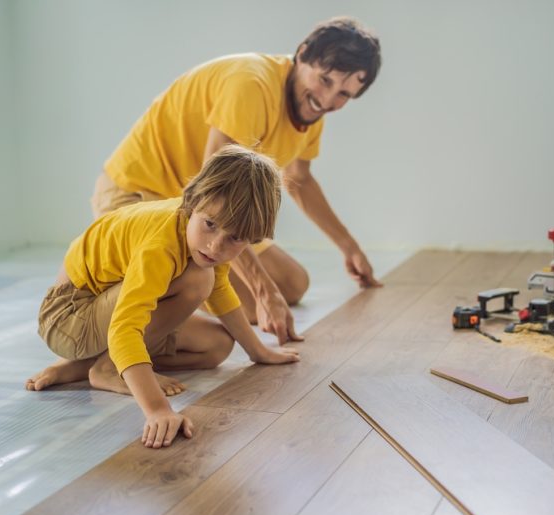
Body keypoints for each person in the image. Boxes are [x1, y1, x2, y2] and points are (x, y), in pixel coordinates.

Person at [92, 16, 383, 346]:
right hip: (139, 195)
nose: (328, 100)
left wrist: (350, 247)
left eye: (344, 93)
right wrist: (262, 289)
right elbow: (218, 199)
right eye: (325, 80)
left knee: (292, 283)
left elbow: (299, 178)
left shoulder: (310, 110)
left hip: (201, 212)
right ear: (301, 55)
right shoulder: (251, 84)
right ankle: (122, 320)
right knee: (229, 294)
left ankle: (176, 290)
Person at [27, 146, 298, 448]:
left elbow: (220, 291)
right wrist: (158, 410)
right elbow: (125, 327)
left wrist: (258, 351)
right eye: (210, 225)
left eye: (235, 238)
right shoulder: (162, 241)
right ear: (193, 202)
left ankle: (84, 367)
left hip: (101, 315)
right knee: (197, 278)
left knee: (217, 347)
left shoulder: (200, 239)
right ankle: (107, 369)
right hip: (68, 318)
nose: (216, 246)